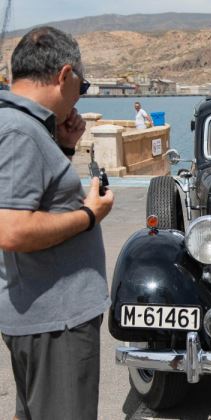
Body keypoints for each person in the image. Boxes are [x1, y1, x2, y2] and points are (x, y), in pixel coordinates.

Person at [0, 26, 114, 420]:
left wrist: (64, 148)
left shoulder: (22, 127)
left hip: (45, 316)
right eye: (81, 87)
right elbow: (12, 229)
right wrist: (88, 216)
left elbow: (34, 196)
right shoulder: (20, 132)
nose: (79, 97)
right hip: (55, 323)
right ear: (65, 75)